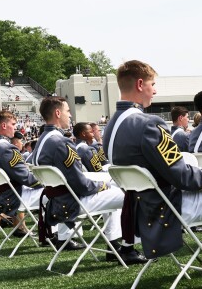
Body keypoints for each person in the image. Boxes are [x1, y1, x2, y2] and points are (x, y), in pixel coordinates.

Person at [103, 60, 202, 266]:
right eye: (153, 85)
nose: (155, 91)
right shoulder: (149, 124)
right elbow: (183, 177)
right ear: (140, 84)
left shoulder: (111, 126)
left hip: (141, 208)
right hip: (170, 206)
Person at [34, 97, 145, 260]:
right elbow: (81, 185)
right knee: (130, 194)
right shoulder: (61, 142)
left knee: (112, 187)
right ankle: (126, 249)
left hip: (56, 200)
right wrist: (102, 185)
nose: (70, 115)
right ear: (57, 113)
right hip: (71, 202)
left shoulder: (42, 139)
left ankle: (113, 245)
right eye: (67, 111)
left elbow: (72, 177)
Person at [0, 110, 42, 237]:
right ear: (4, 126)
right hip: (13, 196)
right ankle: (53, 234)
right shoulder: (8, 148)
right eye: (13, 124)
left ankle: (19, 227)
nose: (16, 127)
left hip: (3, 194)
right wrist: (46, 182)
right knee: (56, 192)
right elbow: (26, 178)